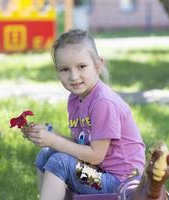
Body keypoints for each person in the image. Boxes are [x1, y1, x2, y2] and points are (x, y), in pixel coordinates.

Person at [21, 29, 146, 200]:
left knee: (60, 162)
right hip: (98, 172)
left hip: (120, 182)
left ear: (97, 65)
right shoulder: (75, 99)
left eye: (81, 66)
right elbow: (81, 146)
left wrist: (54, 141)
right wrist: (50, 136)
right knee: (46, 154)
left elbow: (95, 155)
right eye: (64, 69)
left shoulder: (103, 102)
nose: (73, 76)